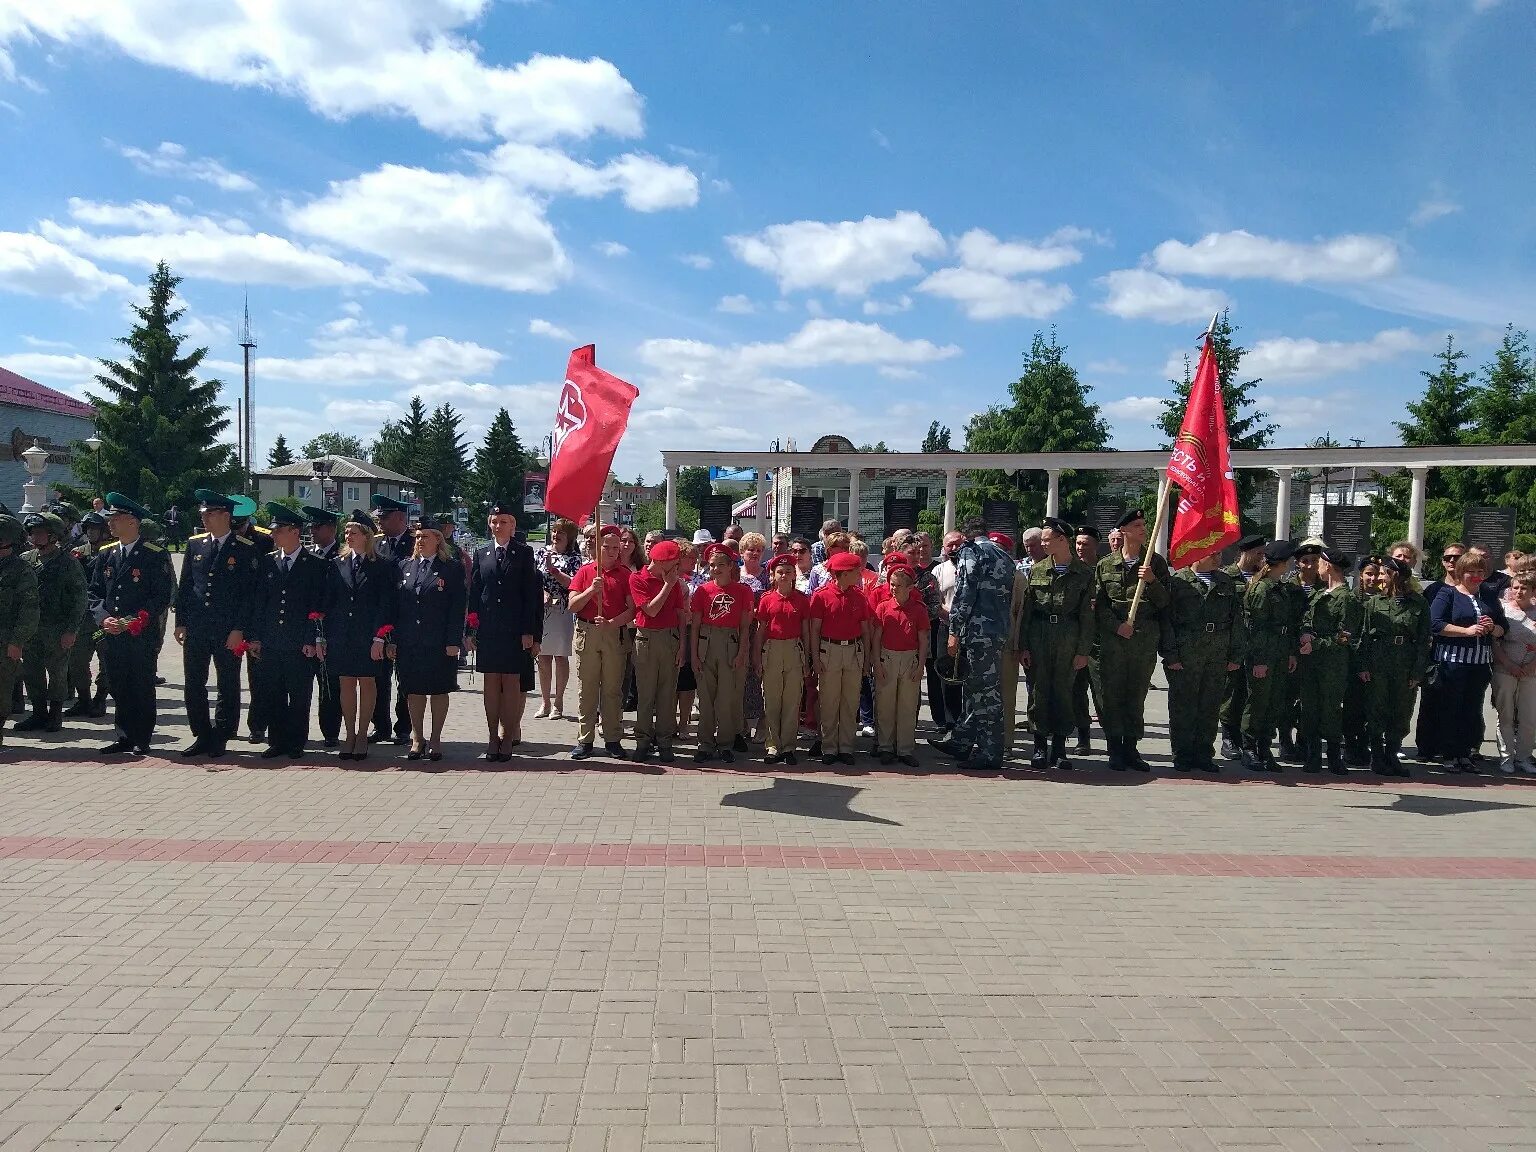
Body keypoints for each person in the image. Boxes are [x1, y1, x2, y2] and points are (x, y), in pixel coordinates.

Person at [173, 490, 260, 758]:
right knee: (194, 682)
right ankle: (201, 733)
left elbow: (249, 594)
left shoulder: (245, 549)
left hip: (228, 629)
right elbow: (186, 586)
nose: (204, 518)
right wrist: (181, 621)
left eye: (209, 514)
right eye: (203, 514)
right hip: (198, 626)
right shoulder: (196, 544)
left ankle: (222, 734)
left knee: (228, 682)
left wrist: (239, 629)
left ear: (225, 516)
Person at [88, 493, 174, 755]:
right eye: (110, 519)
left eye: (116, 519)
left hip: (139, 633)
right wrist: (104, 618)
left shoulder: (153, 554)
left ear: (133, 522)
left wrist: (132, 620)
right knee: (117, 683)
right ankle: (123, 735)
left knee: (141, 685)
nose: (110, 524)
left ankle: (142, 737)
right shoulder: (106, 554)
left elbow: (160, 595)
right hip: (112, 632)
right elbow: (93, 592)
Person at [1092, 509, 1173, 772]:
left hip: (1143, 642)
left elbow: (1165, 603)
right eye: (1137, 525)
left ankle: (1131, 748)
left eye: (1144, 524)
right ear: (1123, 531)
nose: (1143, 529)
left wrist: (1151, 581)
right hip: (1114, 642)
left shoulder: (1156, 563)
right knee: (1111, 695)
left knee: (1136, 695)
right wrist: (1117, 626)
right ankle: (1114, 748)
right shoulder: (1106, 565)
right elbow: (1099, 606)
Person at [930, 520, 1014, 771]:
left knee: (985, 695)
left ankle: (990, 753)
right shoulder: (1004, 555)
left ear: (967, 537)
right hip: (996, 631)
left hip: (977, 632)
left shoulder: (971, 552)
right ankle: (961, 741)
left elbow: (964, 594)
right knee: (975, 690)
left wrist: (954, 631)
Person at [248, 504, 328, 760]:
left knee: (299, 695)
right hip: (272, 639)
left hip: (298, 641)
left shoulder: (315, 564)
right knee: (273, 693)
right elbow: (260, 602)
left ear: (295, 532)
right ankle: (278, 740)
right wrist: (257, 637)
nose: (274, 535)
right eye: (274, 531)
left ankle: (296, 742)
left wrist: (310, 638)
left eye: (279, 530)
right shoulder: (269, 561)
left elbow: (317, 605)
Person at [1016, 519, 1094, 770]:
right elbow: (1027, 611)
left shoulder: (1083, 573)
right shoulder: (1038, 570)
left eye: (1047, 539)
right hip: (1039, 635)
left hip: (1068, 636)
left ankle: (1059, 748)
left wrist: (1083, 651)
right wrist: (1023, 646)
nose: (1043, 543)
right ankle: (1039, 746)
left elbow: (1087, 616)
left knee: (1064, 692)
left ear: (1063, 540)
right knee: (1037, 692)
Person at [468, 501, 542, 762]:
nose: (498, 526)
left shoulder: (523, 554)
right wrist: (471, 628)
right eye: (494, 522)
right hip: (489, 630)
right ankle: (491, 737)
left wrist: (528, 631)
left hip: (514, 630)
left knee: (511, 683)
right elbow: (475, 593)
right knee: (490, 684)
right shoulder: (482, 553)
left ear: (513, 526)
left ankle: (508, 736)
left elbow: (529, 597)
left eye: (504, 522)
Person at [391, 516, 466, 763]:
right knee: (414, 690)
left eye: (425, 536)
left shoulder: (451, 568)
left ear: (438, 539)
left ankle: (435, 738)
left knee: (438, 690)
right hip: (410, 640)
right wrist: (392, 639)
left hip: (439, 641)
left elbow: (457, 608)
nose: (420, 540)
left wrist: (454, 640)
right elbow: (397, 608)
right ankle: (417, 737)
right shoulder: (404, 566)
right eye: (418, 536)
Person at [1165, 549, 1245, 773]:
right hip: (1186, 653)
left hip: (1217, 653)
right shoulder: (1179, 581)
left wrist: (1235, 654)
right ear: (1196, 553)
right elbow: (1168, 621)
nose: (1217, 557)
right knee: (1183, 705)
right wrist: (1170, 654)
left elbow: (1235, 620)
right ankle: (1182, 753)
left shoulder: (1225, 582)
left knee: (1210, 706)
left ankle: (1203, 753)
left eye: (1219, 553)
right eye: (1211, 553)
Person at [322, 511, 394, 762]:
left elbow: (385, 604)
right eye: (347, 532)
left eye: (353, 532)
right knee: (346, 684)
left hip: (368, 636)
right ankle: (349, 733)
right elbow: (329, 603)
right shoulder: (336, 563)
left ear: (367, 536)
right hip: (342, 635)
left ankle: (363, 733)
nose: (348, 536)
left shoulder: (381, 565)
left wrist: (378, 638)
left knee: (367, 682)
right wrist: (323, 636)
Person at [1427, 552, 1506, 773]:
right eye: (1471, 571)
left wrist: (1493, 628)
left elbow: (1502, 628)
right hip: (1453, 661)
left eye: (1480, 572)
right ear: (1461, 573)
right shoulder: (1448, 594)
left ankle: (1464, 753)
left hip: (1480, 663)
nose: (1476, 576)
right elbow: (1434, 624)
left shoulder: (1488, 596)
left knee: (1471, 709)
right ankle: (1449, 754)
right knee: (1451, 707)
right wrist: (1466, 631)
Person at [16, 511, 86, 733]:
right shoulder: (26, 560)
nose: (35, 538)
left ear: (53, 536)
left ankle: (55, 715)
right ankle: (38, 713)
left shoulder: (67, 563)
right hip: (30, 629)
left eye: (40, 534)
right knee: (31, 672)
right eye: (32, 534)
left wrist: (71, 630)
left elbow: (79, 598)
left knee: (57, 673)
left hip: (57, 629)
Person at [1360, 557, 1431, 776]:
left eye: (1384, 574)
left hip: (1405, 663)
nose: (1380, 578)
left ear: (1396, 576)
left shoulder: (1418, 603)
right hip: (1380, 662)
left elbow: (1423, 640)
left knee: (1401, 711)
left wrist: (1418, 671)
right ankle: (1377, 757)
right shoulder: (1375, 603)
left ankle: (1392, 754)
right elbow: (1364, 636)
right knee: (1377, 709)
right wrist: (1363, 666)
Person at [568, 525, 634, 760]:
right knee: (587, 689)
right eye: (607, 546)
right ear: (598, 546)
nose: (613, 551)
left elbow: (632, 610)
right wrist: (590, 591)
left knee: (612, 690)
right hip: (587, 631)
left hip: (612, 633)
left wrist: (612, 622)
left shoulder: (625, 575)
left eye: (617, 547)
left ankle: (613, 738)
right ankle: (585, 739)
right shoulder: (586, 572)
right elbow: (572, 605)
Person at [1297, 547, 1362, 775]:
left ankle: (1334, 758)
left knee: (1330, 710)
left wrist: (1314, 644)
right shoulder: (1319, 594)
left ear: (1330, 567)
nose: (1317, 568)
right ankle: (1313, 756)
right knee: (1310, 709)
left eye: (1320, 563)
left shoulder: (1346, 598)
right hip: (1311, 663)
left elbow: (1345, 637)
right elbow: (1307, 619)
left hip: (1332, 665)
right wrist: (1306, 633)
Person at [689, 543, 753, 763]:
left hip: (730, 643)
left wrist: (742, 652)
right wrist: (694, 655)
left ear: (730, 567)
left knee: (726, 699)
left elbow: (745, 626)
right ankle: (705, 743)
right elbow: (695, 626)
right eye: (712, 565)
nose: (716, 569)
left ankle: (725, 743)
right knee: (706, 699)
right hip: (707, 643)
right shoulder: (703, 590)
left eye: (721, 565)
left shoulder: (743, 591)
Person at [1239, 541, 1299, 774]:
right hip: (1263, 655)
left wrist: (1290, 652)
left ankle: (1264, 748)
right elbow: (1255, 628)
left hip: (1279, 652)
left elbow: (1287, 625)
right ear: (1281, 563)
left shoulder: (1279, 587)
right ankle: (1249, 748)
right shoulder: (1261, 589)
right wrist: (1259, 660)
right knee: (1257, 702)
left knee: (1274, 703)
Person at [809, 550, 872, 765]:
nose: (860, 574)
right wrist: (815, 658)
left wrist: (867, 659)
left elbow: (865, 630)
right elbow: (814, 629)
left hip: (853, 650)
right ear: (844, 573)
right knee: (829, 700)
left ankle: (846, 747)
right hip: (829, 650)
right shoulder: (821, 595)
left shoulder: (859, 597)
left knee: (850, 701)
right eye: (856, 571)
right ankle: (829, 748)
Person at [629, 538, 687, 761]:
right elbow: (650, 611)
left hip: (670, 637)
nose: (677, 567)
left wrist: (682, 645)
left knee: (667, 695)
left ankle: (664, 742)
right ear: (663, 562)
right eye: (674, 562)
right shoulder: (638, 578)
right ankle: (643, 741)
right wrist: (667, 585)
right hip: (647, 639)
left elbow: (681, 614)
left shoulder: (673, 581)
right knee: (646, 695)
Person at [755, 552, 811, 765]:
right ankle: (772, 745)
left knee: (792, 700)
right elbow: (760, 631)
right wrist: (756, 658)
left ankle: (788, 746)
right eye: (780, 572)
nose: (785, 575)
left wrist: (807, 659)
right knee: (772, 700)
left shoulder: (802, 600)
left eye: (789, 571)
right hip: (772, 650)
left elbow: (806, 632)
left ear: (794, 575)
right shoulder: (767, 599)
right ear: (773, 575)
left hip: (794, 650)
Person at [872, 554, 927, 766]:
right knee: (885, 705)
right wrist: (876, 662)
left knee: (907, 705)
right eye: (892, 584)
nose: (893, 588)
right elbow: (876, 637)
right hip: (888, 657)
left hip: (909, 658)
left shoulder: (918, 609)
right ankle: (886, 746)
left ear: (910, 587)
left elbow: (923, 639)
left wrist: (921, 665)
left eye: (898, 585)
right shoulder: (883, 607)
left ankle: (904, 748)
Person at [368, 493, 415, 745]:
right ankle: (381, 725)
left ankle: (404, 726)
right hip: (382, 620)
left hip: (406, 618)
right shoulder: (377, 545)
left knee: (404, 676)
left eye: (384, 517)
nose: (380, 522)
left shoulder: (415, 542)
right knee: (379, 676)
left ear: (399, 517)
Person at [1219, 535, 1267, 759]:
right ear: (1245, 553)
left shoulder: (1263, 577)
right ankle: (1228, 737)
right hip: (1234, 643)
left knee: (1250, 693)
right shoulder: (1227, 576)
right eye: (1258, 553)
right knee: (1231, 691)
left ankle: (1244, 736)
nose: (1262, 558)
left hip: (1256, 644)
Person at [304, 506, 343, 747]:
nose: (312, 530)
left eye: (317, 526)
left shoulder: (341, 556)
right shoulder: (308, 555)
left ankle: (330, 731)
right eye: (310, 527)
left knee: (329, 684)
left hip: (331, 630)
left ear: (331, 528)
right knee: (304, 683)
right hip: (307, 630)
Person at [65, 511, 111, 718]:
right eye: (88, 529)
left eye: (95, 529)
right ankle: (83, 699)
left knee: (106, 660)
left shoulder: (112, 552)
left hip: (103, 618)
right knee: (77, 661)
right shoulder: (77, 553)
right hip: (83, 620)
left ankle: (100, 698)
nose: (91, 533)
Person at [534, 518, 580, 719]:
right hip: (542, 610)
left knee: (560, 656)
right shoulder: (541, 553)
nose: (555, 535)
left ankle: (558, 702)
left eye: (560, 532)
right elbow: (531, 578)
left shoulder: (574, 558)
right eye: (554, 531)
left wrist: (555, 571)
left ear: (569, 537)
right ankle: (545, 702)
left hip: (563, 611)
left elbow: (574, 583)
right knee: (543, 657)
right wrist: (541, 591)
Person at [1491, 572, 1536, 774]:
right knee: (1506, 714)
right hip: (1505, 669)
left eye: (1524, 588)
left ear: (1533, 591)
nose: (1519, 591)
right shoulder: (1504, 610)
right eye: (1515, 587)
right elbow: (1495, 642)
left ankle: (1524, 757)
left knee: (1529, 717)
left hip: (1531, 672)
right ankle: (1506, 757)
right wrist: (1508, 664)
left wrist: (1531, 665)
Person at [0, 515, 38, 748]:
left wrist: (17, 641)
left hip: (5, 641)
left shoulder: (21, 571)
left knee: (2, 689)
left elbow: (29, 610)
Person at [1342, 556, 1382, 765]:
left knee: (1373, 707)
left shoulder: (1386, 599)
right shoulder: (1353, 599)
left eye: (1377, 574)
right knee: (1353, 708)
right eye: (1369, 574)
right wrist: (1358, 663)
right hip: (1354, 662)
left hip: (1378, 662)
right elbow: (1349, 634)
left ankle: (1366, 744)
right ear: (1360, 575)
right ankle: (1350, 744)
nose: (1373, 579)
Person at [1069, 526, 1103, 754]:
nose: (1081, 548)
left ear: (1096, 546)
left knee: (1102, 694)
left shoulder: (1105, 569)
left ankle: (1114, 739)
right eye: (1078, 543)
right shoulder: (1072, 570)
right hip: (1076, 642)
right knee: (1077, 692)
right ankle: (1083, 737)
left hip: (1100, 643)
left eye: (1086, 544)